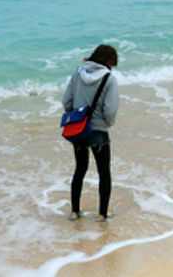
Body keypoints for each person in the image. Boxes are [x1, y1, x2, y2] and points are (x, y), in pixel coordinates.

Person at [62, 44, 120, 222]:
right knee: (104, 173)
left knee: (80, 170)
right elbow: (110, 111)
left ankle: (75, 211)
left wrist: (79, 117)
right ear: (109, 61)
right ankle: (102, 214)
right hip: (99, 131)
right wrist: (106, 124)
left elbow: (66, 102)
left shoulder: (77, 74)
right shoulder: (109, 79)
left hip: (80, 130)